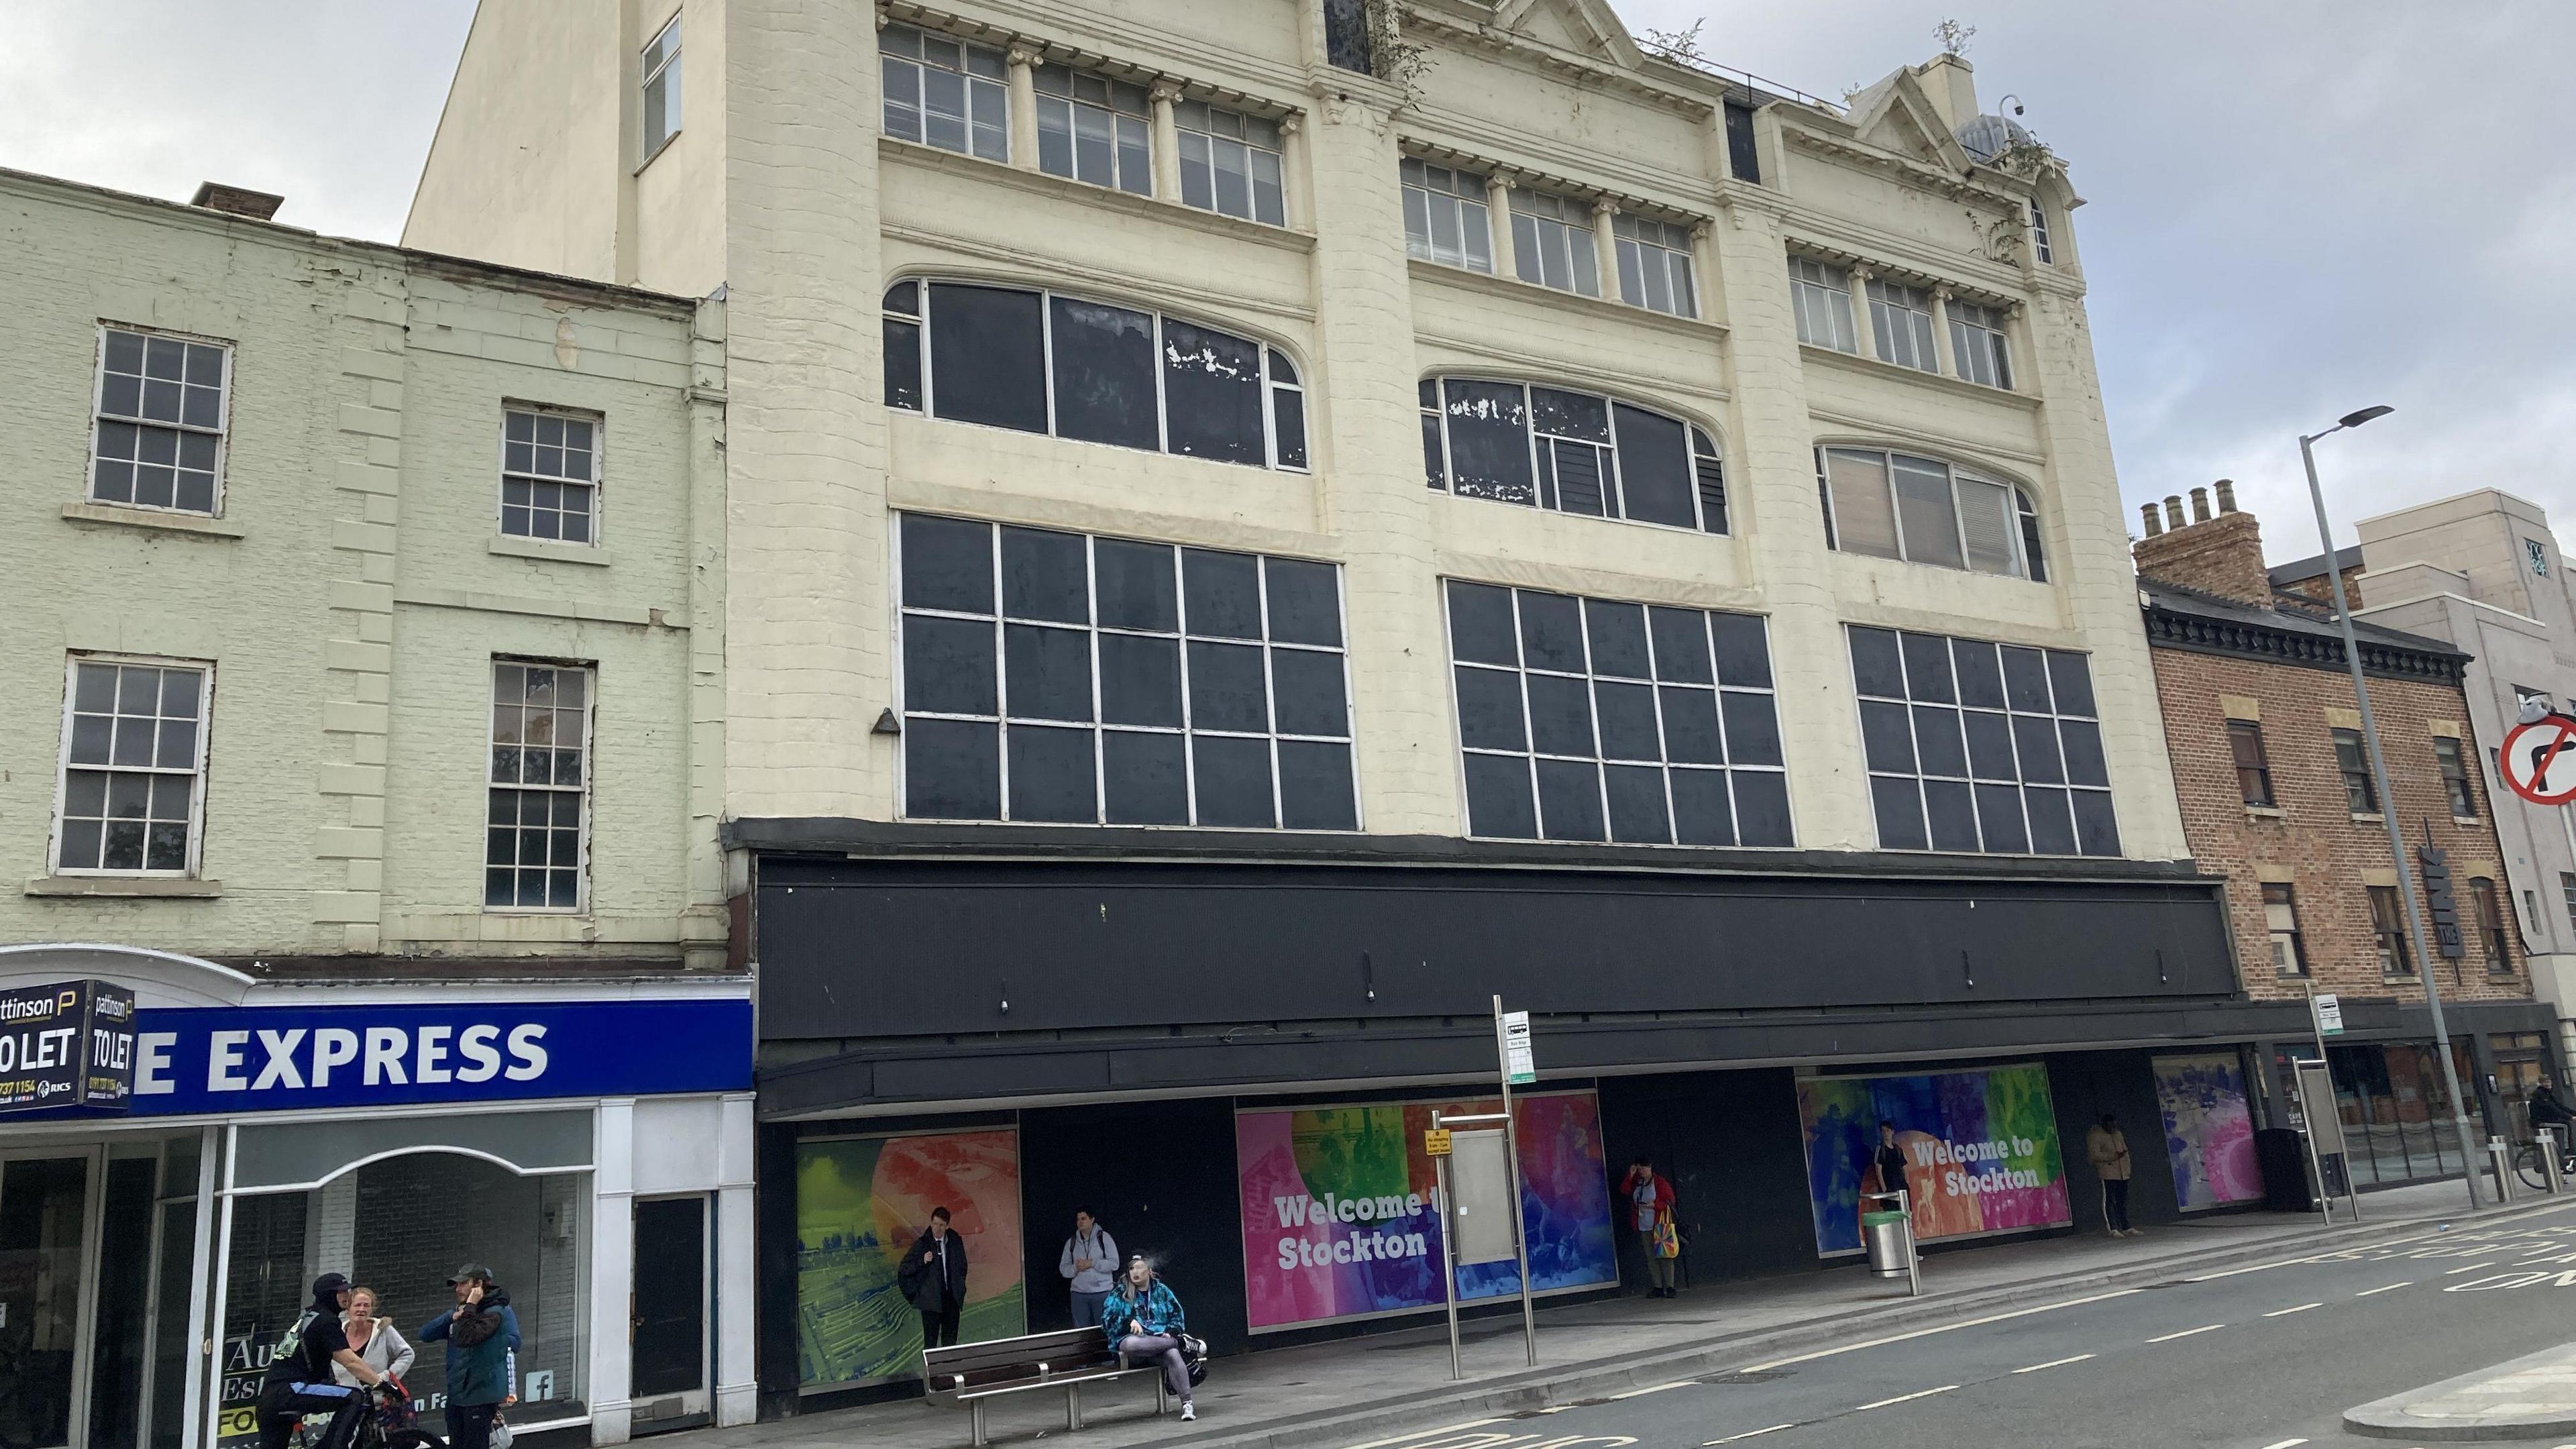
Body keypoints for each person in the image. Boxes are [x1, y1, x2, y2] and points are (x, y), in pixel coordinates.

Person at [256, 1273, 384, 1449]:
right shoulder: (326, 1321)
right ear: (329, 1295)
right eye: (342, 1292)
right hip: (292, 1390)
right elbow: (351, 1362)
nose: (348, 1296)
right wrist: (381, 1383)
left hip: (270, 1398)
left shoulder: (309, 1317)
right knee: (354, 1397)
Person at [419, 1264, 520, 1449]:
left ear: (478, 1285)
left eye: (463, 1284)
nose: (458, 1289)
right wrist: (452, 1317)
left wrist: (493, 1342)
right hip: (457, 1392)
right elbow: (425, 1334)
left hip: (480, 1391)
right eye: (456, 1285)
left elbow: (515, 1342)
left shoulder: (498, 1311)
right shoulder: (460, 1312)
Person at [1102, 1254, 1195, 1422]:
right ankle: (1182, 1343)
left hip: (1158, 1346)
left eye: (1139, 1267)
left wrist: (1171, 1331)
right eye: (1131, 1268)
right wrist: (1128, 1321)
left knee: (1173, 1354)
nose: (1135, 1272)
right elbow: (1107, 1319)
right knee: (1131, 1344)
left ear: (1150, 1271)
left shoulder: (1162, 1291)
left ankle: (1187, 1404)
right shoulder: (1120, 1292)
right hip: (1134, 1352)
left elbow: (1177, 1315)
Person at [898, 1205, 971, 1357]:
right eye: (935, 1224)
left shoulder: (955, 1241)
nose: (938, 1229)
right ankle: (932, 1377)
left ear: (947, 1226)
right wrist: (922, 1261)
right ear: (931, 1224)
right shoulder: (922, 1244)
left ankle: (950, 1375)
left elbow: (962, 1266)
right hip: (931, 1302)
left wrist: (960, 1288)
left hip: (951, 1299)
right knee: (931, 1343)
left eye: (941, 1225)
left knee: (950, 1343)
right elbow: (905, 1269)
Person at [1617, 1159, 1679, 1299]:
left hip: (1659, 1224)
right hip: (1643, 1224)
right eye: (1640, 1169)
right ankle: (1657, 1286)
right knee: (1651, 1257)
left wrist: (1654, 1205)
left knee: (1665, 1255)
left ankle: (1670, 1286)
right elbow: (1625, 1190)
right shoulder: (1638, 1183)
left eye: (1644, 1168)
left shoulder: (1659, 1183)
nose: (1642, 1171)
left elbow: (1670, 1201)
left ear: (1650, 1167)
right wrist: (1631, 1174)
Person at [333, 1286, 416, 1389]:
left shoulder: (383, 1330)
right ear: (348, 1308)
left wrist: (386, 1378)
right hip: (343, 1399)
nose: (362, 1309)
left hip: (375, 1400)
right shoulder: (337, 1332)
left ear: (372, 1309)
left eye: (366, 1306)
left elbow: (407, 1354)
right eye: (357, 1305)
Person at [1059, 1208, 1120, 1332]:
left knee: (1105, 1329)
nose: (1080, 1222)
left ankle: (1106, 1351)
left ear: (1092, 1220)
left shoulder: (1104, 1238)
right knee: (1081, 1332)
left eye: (1084, 1218)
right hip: (1079, 1294)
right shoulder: (1072, 1242)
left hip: (1102, 1292)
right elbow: (1064, 1269)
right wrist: (1076, 1268)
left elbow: (1115, 1264)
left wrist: (1092, 1263)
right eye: (1078, 1219)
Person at [2087, 1113, 2137, 1237]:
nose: (2112, 1127)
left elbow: (2125, 1152)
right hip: (2108, 1172)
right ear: (2103, 1125)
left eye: (2114, 1124)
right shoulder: (2096, 1135)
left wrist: (2127, 1168)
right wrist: (2113, 1157)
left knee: (2122, 1200)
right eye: (2110, 1125)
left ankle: (2125, 1226)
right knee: (2109, 1200)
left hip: (2122, 1172)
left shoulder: (2117, 1134)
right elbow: (2095, 1155)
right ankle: (2112, 1227)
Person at [1870, 1123, 1911, 1208]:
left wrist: (1906, 1184)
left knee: (1906, 1212)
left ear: (1892, 1132)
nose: (1886, 1134)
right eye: (1883, 1131)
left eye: (1888, 1131)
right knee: (1892, 1213)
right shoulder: (1881, 1149)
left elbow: (1905, 1168)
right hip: (1889, 1187)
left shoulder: (1898, 1149)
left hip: (1901, 1187)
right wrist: (1885, 1189)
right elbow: (1878, 1170)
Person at [2530, 1076, 2573, 1144]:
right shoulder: (2540, 1094)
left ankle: (2561, 1147)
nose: (2548, 1084)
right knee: (2566, 1125)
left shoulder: (2548, 1093)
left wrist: (2573, 1113)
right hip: (2541, 1121)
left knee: (2564, 1123)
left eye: (2549, 1082)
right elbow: (2552, 1108)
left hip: (2548, 1119)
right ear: (2540, 1084)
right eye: (2545, 1082)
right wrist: (2570, 1117)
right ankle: (2567, 1149)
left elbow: (2559, 1106)